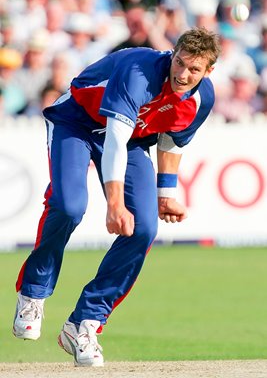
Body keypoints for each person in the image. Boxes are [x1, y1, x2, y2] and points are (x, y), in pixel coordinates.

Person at [13, 27, 220, 367]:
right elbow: (113, 142)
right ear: (172, 54)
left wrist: (165, 193)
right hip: (76, 122)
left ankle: (84, 323)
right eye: (179, 63)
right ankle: (33, 292)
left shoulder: (203, 98)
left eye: (193, 69)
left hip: (133, 140)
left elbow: (171, 138)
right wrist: (114, 204)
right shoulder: (140, 72)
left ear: (208, 71)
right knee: (70, 206)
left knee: (143, 230)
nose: (183, 74)